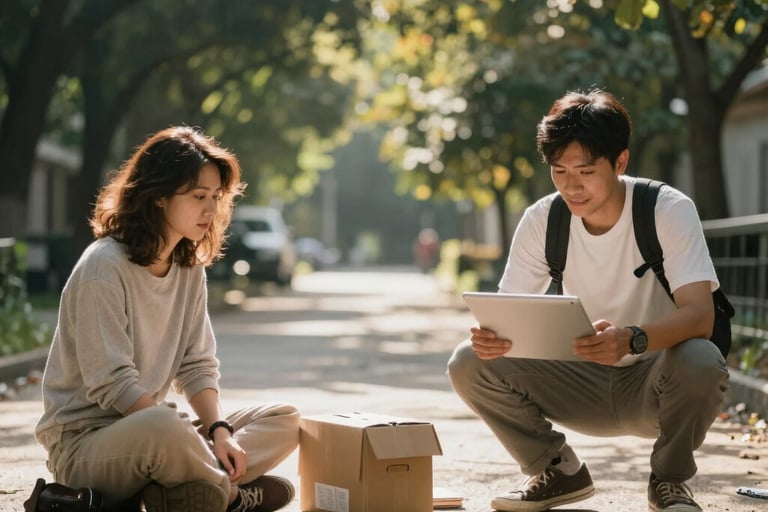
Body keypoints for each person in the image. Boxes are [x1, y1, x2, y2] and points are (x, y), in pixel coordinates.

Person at [447, 89, 729, 512]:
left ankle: (668, 482)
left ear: (620, 162)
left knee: (702, 358)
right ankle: (557, 470)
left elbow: (701, 317)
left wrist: (631, 339)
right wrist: (494, 339)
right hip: (577, 379)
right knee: (468, 360)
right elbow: (508, 312)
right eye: (559, 171)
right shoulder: (544, 219)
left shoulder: (666, 210)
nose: (571, 187)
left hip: (655, 383)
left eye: (584, 170)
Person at [32, 126, 301, 512]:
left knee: (286, 418)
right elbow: (112, 383)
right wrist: (187, 440)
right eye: (197, 196)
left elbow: (196, 366)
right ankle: (230, 495)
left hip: (158, 436)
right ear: (157, 196)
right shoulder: (103, 267)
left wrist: (219, 433)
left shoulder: (189, 268)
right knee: (165, 426)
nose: (211, 210)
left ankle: (183, 487)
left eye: (215, 197)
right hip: (85, 447)